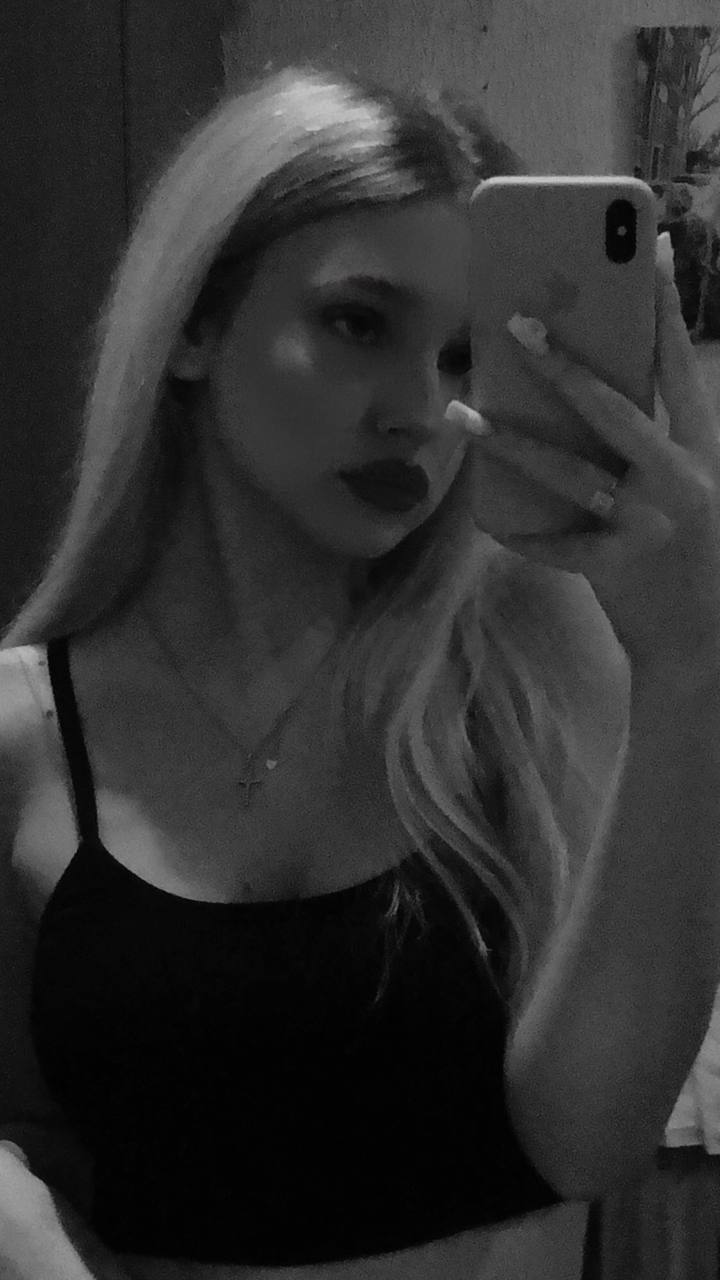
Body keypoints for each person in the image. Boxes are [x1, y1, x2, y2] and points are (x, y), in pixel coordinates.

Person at [0, 61, 720, 1280]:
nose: (421, 412)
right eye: (359, 323)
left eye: (463, 358)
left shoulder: (527, 664)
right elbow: (28, 1126)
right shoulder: (26, 728)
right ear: (193, 325)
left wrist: (691, 662)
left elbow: (589, 1139)